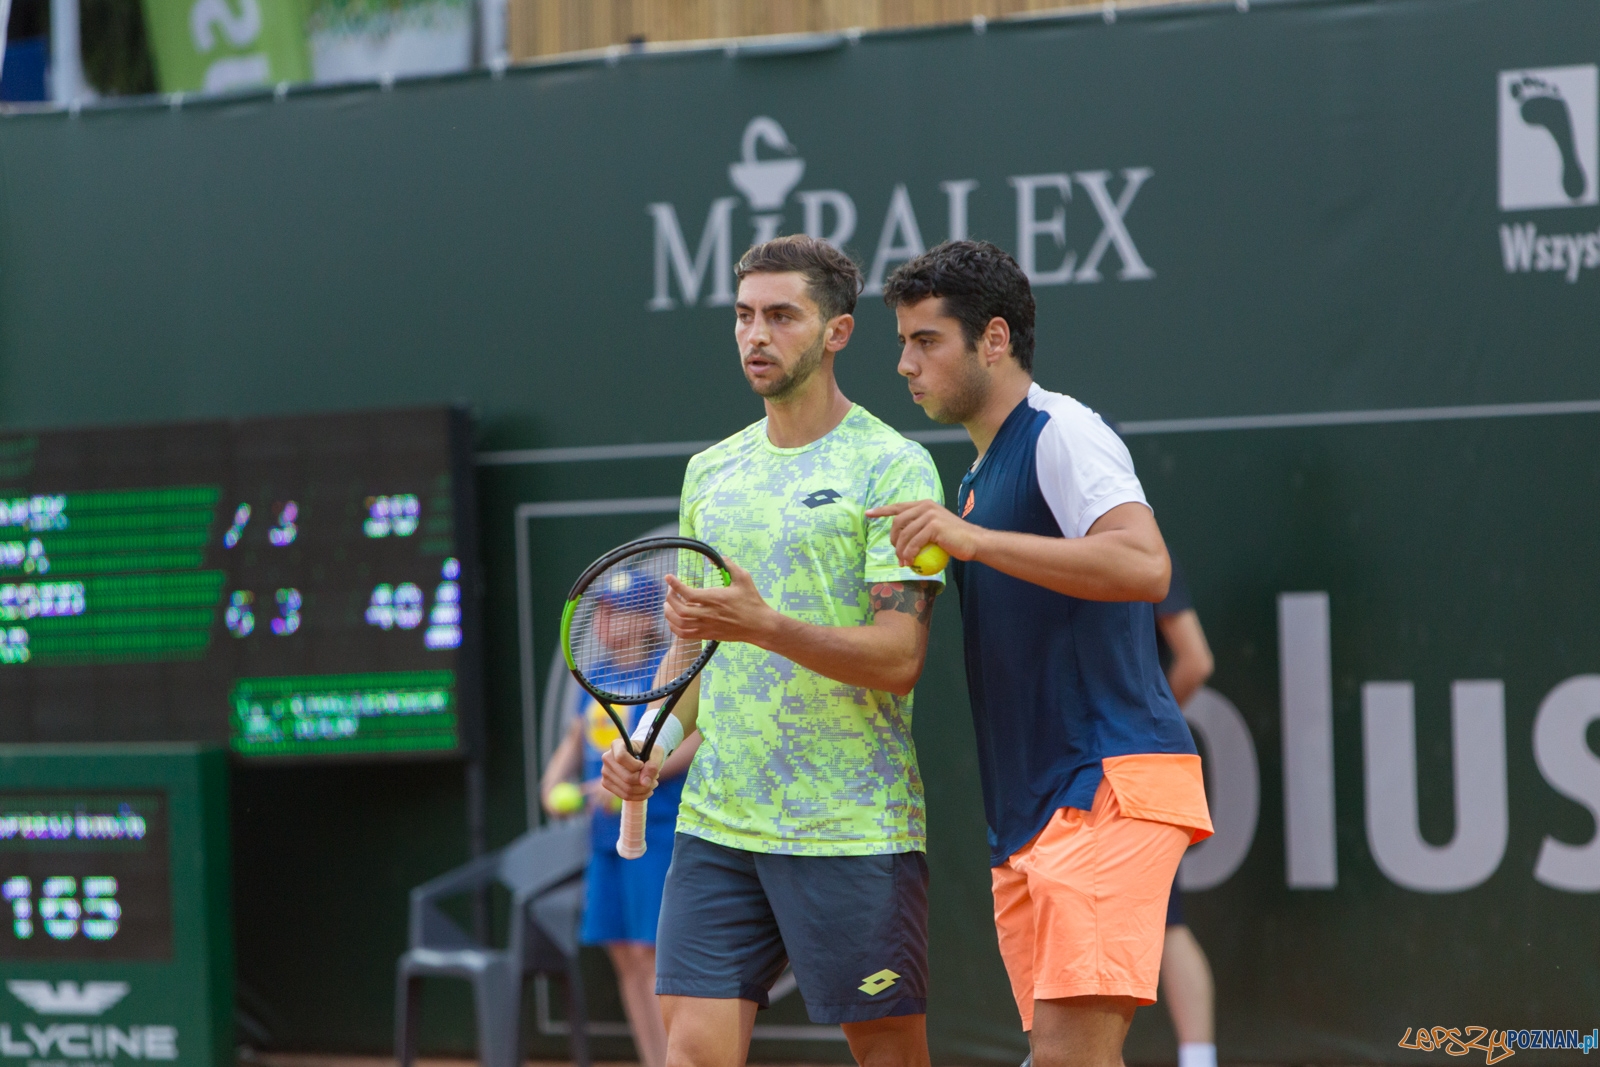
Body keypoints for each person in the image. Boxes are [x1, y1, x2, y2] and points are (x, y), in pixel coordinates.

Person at [601, 234, 945, 1067]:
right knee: (690, 1052)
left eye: (782, 316)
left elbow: (899, 657)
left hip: (851, 827)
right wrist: (646, 740)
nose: (757, 335)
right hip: (720, 823)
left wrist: (768, 626)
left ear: (836, 332)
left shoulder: (894, 469)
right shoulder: (710, 473)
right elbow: (693, 644)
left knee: (890, 1056)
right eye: (744, 315)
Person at [869, 240, 1213, 1067]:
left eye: (926, 341)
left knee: (1068, 1053)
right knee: (1070, 1053)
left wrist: (978, 542)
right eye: (902, 343)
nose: (906, 364)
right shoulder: (979, 475)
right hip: (1031, 809)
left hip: (1104, 782)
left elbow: (1144, 563)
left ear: (993, 338)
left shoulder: (1065, 432)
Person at [541, 567, 701, 1067]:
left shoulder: (668, 667)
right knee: (626, 958)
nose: (608, 622)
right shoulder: (596, 680)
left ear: (646, 619)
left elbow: (694, 739)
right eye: (604, 612)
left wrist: (640, 773)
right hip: (604, 840)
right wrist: (557, 790)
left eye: (622, 611)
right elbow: (565, 757)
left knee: (657, 959)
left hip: (657, 835)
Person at [1154, 561, 1218, 1067]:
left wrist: (1141, 721)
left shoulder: (1134, 543)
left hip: (1139, 765)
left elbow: (1195, 660)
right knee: (1163, 922)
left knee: (1166, 922)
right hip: (1127, 761)